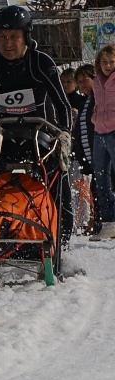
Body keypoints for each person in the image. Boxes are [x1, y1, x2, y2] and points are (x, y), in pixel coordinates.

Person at [0, 4, 74, 244]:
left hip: (41, 135)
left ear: (26, 36)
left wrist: (65, 135)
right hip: (3, 136)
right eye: (3, 37)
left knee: (60, 172)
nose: (8, 43)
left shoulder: (41, 63)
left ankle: (62, 235)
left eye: (14, 36)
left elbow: (63, 105)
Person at [90, 44, 115, 241]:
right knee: (101, 179)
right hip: (99, 132)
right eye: (104, 62)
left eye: (112, 61)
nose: (108, 65)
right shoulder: (97, 81)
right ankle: (108, 223)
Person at [73, 64, 99, 235]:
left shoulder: (99, 99)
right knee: (95, 190)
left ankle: (100, 223)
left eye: (85, 80)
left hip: (101, 151)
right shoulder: (84, 101)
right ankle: (97, 222)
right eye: (79, 81)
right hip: (89, 154)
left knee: (101, 188)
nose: (82, 84)